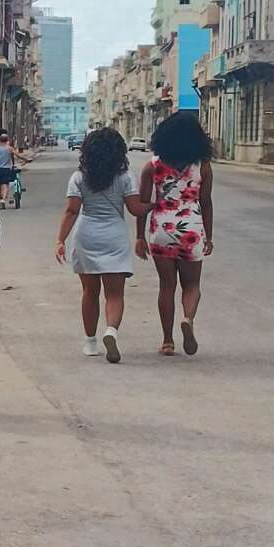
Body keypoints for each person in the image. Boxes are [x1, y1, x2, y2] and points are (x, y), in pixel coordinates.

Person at [54, 127, 147, 363]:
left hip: (86, 236)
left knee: (89, 292)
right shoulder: (125, 177)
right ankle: (111, 331)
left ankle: (90, 342)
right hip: (114, 235)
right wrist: (155, 205)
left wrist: (60, 240)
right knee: (114, 294)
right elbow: (135, 209)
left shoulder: (79, 177)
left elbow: (72, 210)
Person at [138, 111, 215, 356]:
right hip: (190, 227)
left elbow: (142, 203)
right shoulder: (202, 166)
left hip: (161, 227)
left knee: (166, 286)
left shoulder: (152, 166)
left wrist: (140, 236)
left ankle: (168, 341)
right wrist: (208, 237)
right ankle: (188, 319)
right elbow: (206, 203)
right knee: (191, 284)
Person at [0, 131, 18, 209]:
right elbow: (18, 155)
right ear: (7, 141)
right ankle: (3, 199)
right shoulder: (9, 148)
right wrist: (26, 159)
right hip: (6, 169)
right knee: (5, 185)